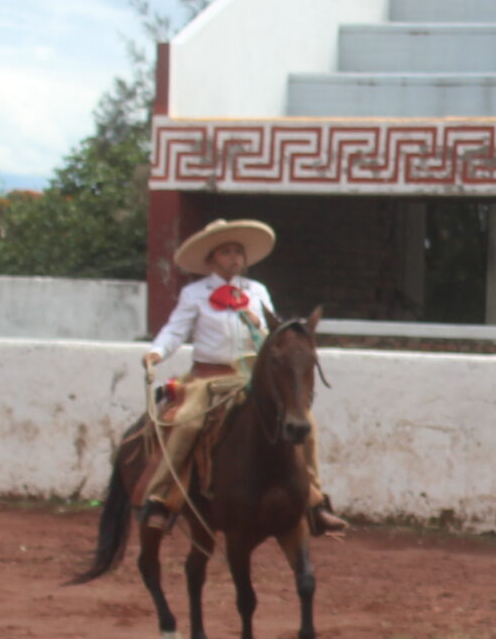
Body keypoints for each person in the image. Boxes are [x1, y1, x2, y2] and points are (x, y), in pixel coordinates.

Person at [138, 217, 345, 537]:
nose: (234, 258)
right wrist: (155, 353)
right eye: (226, 252)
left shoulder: (257, 291)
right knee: (189, 421)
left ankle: (314, 501)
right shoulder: (194, 293)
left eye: (238, 251)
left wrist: (260, 325)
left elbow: (274, 339)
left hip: (251, 375)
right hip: (208, 377)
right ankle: (161, 498)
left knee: (307, 423)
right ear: (211, 258)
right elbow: (175, 331)